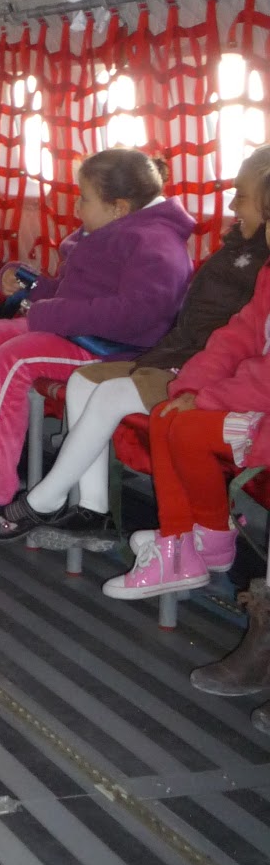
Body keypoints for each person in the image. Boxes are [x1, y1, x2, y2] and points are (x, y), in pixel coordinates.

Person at [0, 149, 196, 531]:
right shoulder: (111, 229)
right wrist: (31, 282)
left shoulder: (157, 243)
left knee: (12, 360)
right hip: (69, 329)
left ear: (118, 207)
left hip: (111, 348)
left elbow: (137, 316)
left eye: (84, 199)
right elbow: (73, 292)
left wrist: (52, 312)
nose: (77, 208)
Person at [0, 145, 270, 545]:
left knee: (109, 395)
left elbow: (233, 342)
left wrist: (193, 384)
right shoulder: (241, 250)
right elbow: (227, 333)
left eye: (241, 196)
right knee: (85, 381)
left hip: (201, 370)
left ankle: (45, 499)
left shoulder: (240, 259)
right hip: (183, 358)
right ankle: (93, 509)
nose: (231, 203)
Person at [97, 166, 270, 601]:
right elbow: (237, 337)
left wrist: (208, 399)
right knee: (167, 416)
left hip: (262, 410)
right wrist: (189, 388)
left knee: (187, 428)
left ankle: (197, 544)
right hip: (256, 403)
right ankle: (193, 545)